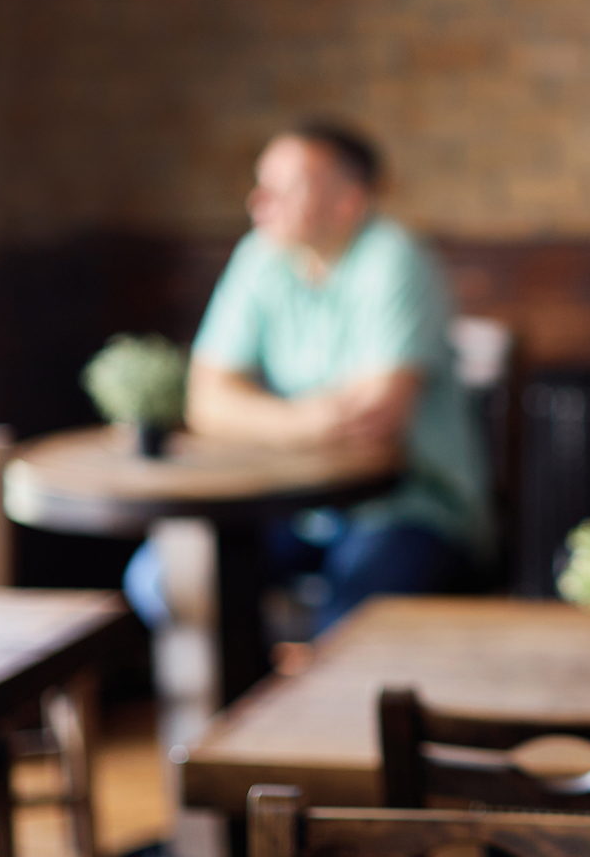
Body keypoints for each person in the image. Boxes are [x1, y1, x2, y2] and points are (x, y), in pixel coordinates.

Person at [124, 119, 489, 633]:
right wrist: (309, 420)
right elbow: (206, 400)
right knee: (166, 580)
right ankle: (250, 707)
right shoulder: (258, 258)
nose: (259, 199)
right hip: (289, 507)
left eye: (285, 187)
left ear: (348, 201)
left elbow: (374, 417)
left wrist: (251, 415)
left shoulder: (394, 258)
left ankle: (298, 702)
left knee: (348, 624)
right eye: (260, 182)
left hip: (406, 507)